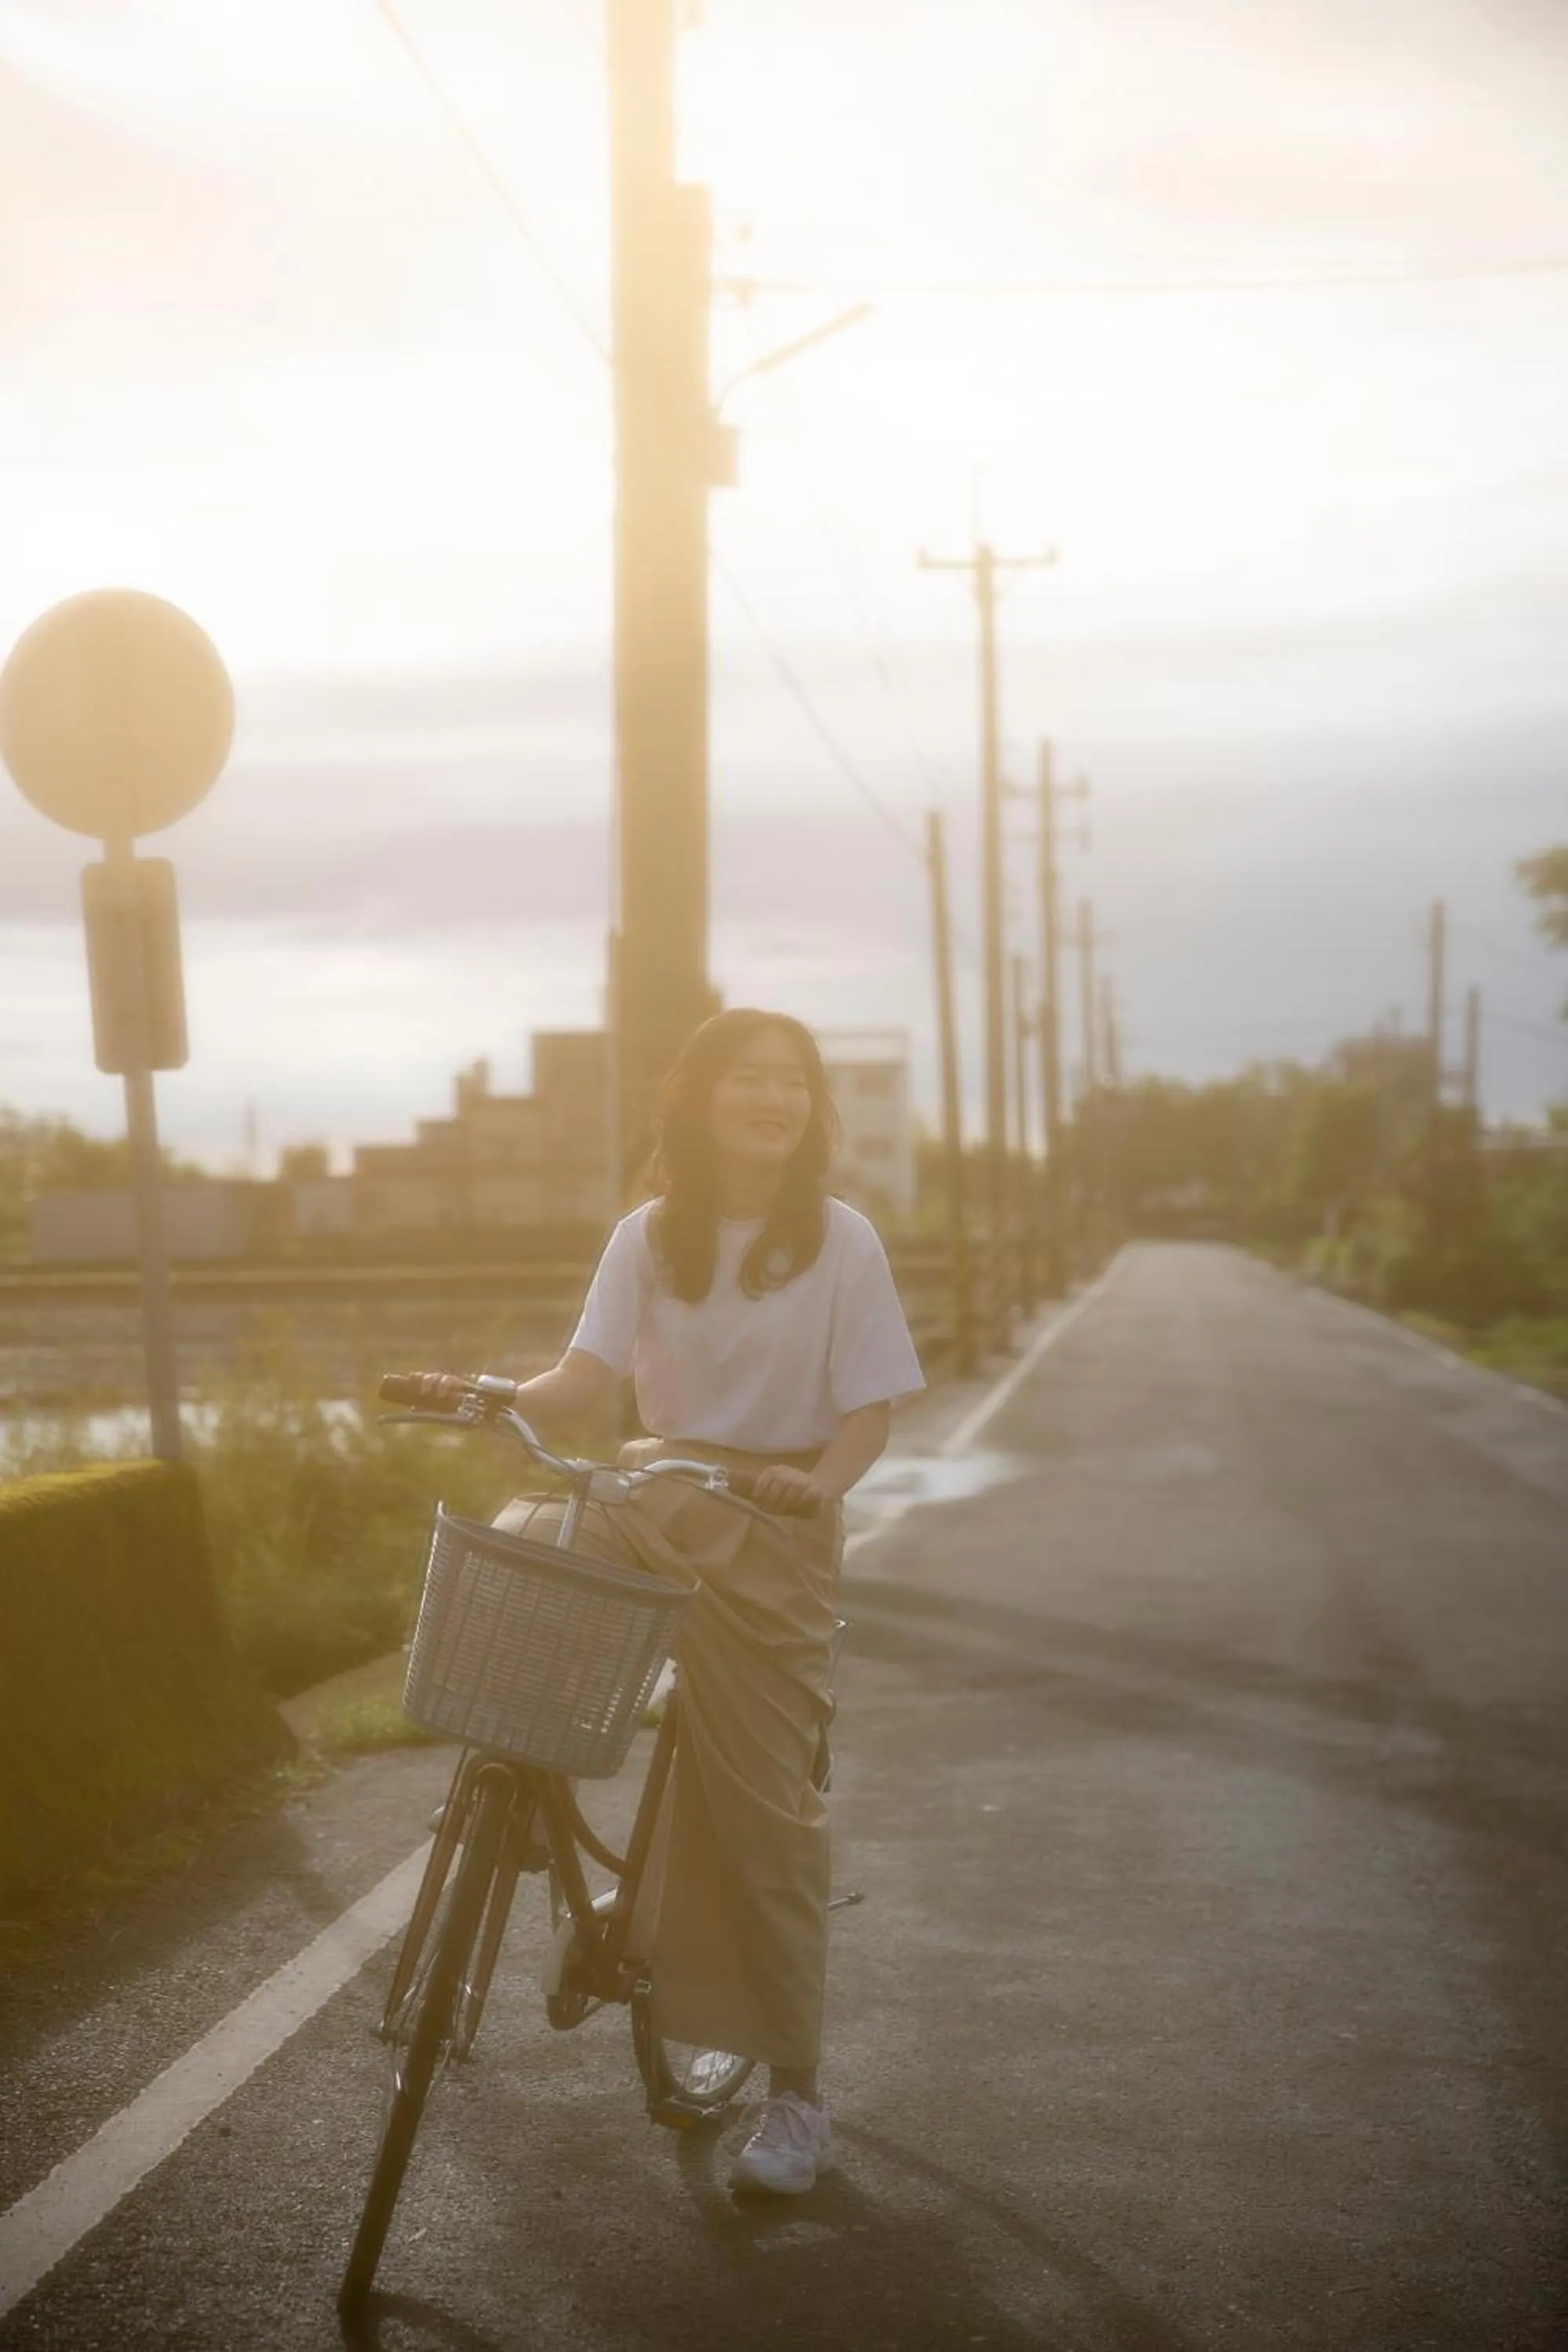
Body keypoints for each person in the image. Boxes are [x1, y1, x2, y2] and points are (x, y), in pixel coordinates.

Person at [494, 1007, 924, 2195]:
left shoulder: (841, 1240)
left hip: (776, 1529)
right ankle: (523, 1793)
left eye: (795, 1082)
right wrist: (494, 1395)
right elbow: (584, 1380)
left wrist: (818, 1486)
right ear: (700, 1098)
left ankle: (796, 2098)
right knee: (534, 1536)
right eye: (752, 1079)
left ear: (813, 1110)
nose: (776, 1099)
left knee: (768, 1822)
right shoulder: (648, 1234)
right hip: (657, 1483)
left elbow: (872, 1406)